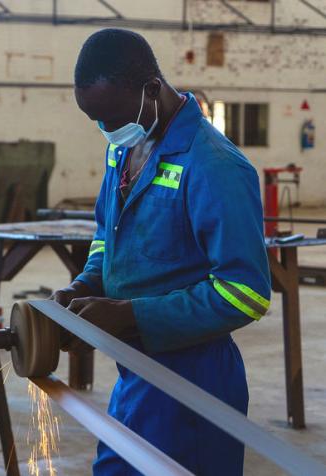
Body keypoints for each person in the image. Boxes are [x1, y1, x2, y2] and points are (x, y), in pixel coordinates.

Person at [52, 28, 271, 475]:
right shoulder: (125, 149)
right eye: (97, 120)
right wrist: (86, 282)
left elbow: (247, 292)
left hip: (195, 382)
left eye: (112, 117)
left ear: (152, 90)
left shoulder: (214, 166)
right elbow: (106, 236)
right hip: (136, 373)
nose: (108, 131)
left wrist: (131, 316)